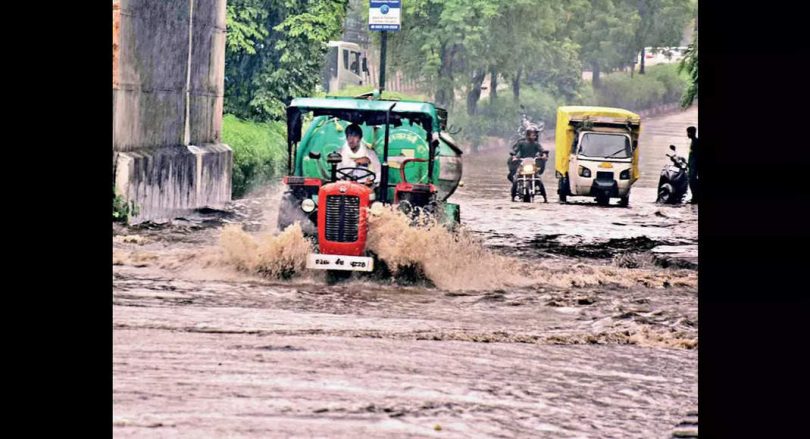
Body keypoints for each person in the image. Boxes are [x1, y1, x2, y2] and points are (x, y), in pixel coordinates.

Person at [508, 126, 549, 202]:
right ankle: (513, 197)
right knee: (516, 179)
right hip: (522, 164)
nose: (534, 136)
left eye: (535, 134)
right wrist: (514, 156)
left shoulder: (536, 144)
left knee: (538, 179)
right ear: (528, 134)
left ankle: (545, 198)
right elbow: (515, 150)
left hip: (532, 164)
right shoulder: (521, 143)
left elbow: (542, 150)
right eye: (532, 134)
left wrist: (543, 155)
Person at [338, 123, 381, 187]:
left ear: (360, 138)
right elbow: (337, 174)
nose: (351, 140)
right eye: (349, 136)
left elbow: (378, 174)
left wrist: (372, 182)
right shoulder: (340, 153)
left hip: (364, 187)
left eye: (355, 136)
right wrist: (355, 163)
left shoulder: (370, 154)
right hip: (345, 187)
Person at [686, 126, 699, 203]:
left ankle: (695, 198)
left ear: (692, 133)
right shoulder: (693, 141)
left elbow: (696, 156)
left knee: (692, 181)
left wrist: (694, 165)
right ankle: (694, 197)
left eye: (688, 132)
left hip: (694, 166)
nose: (687, 134)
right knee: (692, 181)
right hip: (692, 165)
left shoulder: (696, 142)